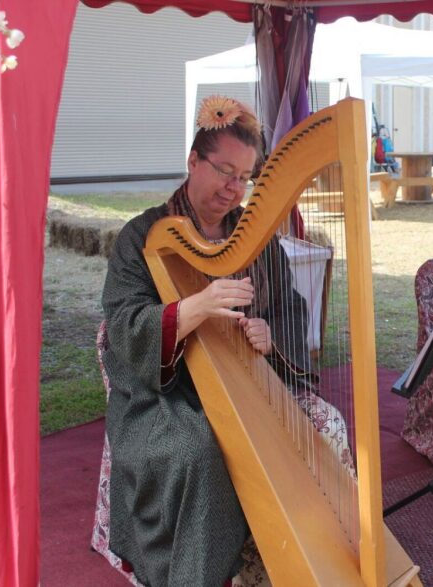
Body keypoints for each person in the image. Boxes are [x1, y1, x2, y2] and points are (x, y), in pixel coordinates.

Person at [101, 95, 313, 587]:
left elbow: (290, 312)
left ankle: (293, 560)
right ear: (193, 161)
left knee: (323, 428)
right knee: (199, 448)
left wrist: (269, 337)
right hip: (160, 394)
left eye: (245, 178)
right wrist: (199, 305)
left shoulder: (255, 237)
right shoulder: (141, 237)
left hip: (248, 381)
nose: (234, 189)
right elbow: (123, 327)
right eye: (223, 171)